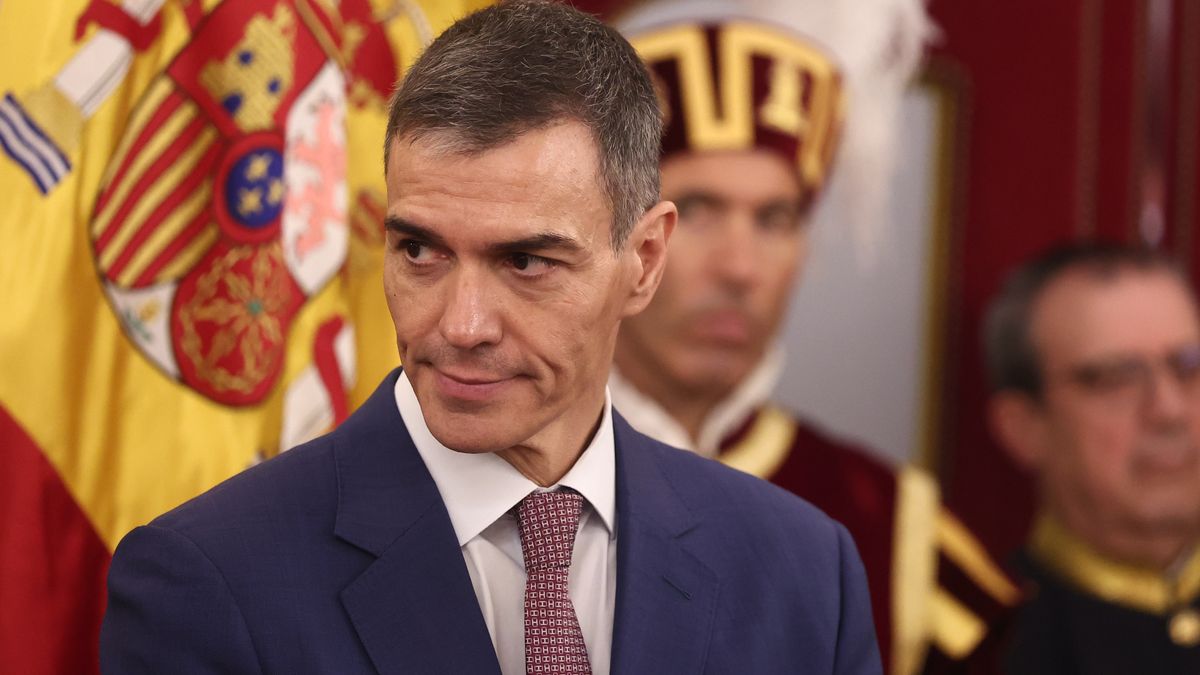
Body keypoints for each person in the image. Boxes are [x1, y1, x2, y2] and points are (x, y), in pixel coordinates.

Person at [99, 2, 881, 673]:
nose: (460, 325)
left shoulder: (805, 574)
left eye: (526, 260)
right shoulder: (208, 576)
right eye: (420, 251)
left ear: (642, 261)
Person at [608, 5, 1018, 674]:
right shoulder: (488, 481)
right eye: (699, 209)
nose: (740, 267)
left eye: (776, 217)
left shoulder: (892, 526)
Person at [985, 243, 1200, 674]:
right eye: (1116, 378)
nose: (1169, 410)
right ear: (1024, 427)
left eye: (1189, 366)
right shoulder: (989, 647)